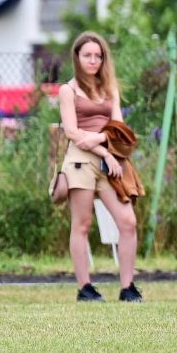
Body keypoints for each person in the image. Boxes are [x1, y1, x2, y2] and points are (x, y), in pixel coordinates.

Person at [57, 32, 142, 302]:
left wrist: (101, 140)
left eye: (98, 55)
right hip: (82, 161)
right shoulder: (68, 90)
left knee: (128, 222)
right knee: (82, 224)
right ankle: (86, 287)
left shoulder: (109, 89)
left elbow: (119, 128)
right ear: (77, 58)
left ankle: (128, 287)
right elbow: (71, 132)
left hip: (111, 163)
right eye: (87, 55)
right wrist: (103, 149)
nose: (93, 60)